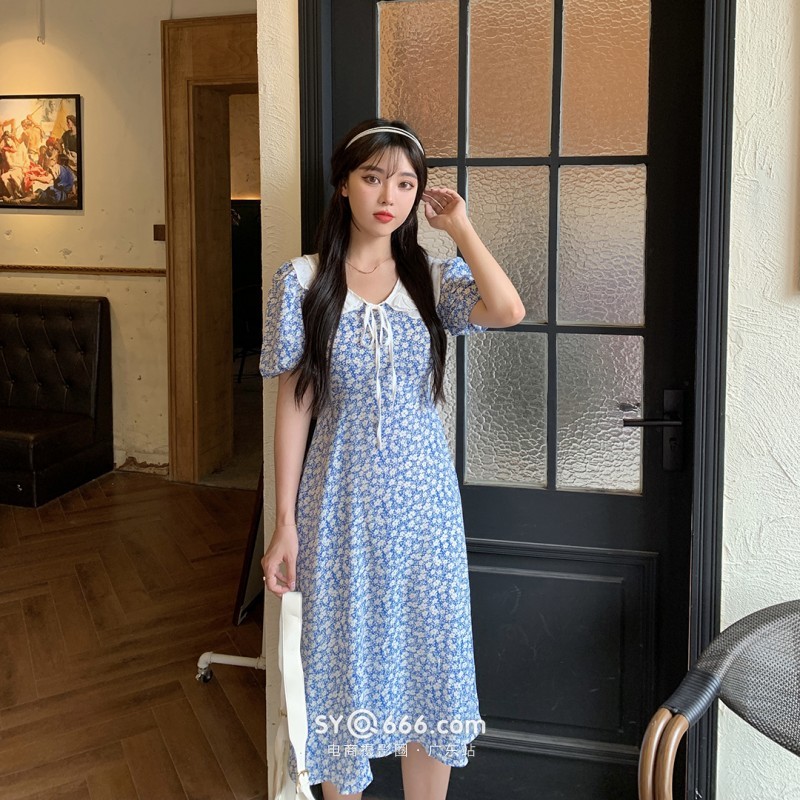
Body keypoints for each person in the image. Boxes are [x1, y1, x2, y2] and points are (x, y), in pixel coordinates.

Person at [260, 118, 525, 800]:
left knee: (430, 669)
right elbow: (294, 405)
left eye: (406, 183)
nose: (389, 196)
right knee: (340, 669)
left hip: (425, 514)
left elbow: (508, 309)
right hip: (337, 508)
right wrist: (284, 522)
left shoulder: (432, 279)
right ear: (343, 184)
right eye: (373, 177)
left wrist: (460, 227)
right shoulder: (302, 282)